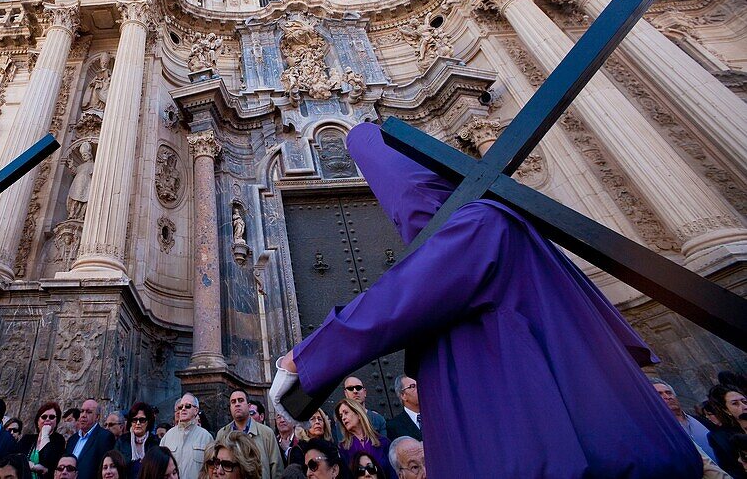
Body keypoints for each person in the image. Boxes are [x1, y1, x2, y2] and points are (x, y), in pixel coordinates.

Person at [269, 123, 702, 478]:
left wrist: (303, 357)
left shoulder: (480, 221)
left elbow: (406, 296)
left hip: (570, 454)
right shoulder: (495, 221)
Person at [215, 391, 281, 479]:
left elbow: (277, 469)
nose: (237, 404)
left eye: (241, 400)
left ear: (248, 406)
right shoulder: (222, 434)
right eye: (233, 402)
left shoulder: (266, 433)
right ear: (230, 407)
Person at [651, 380, 717, 462]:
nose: (667, 397)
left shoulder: (702, 421)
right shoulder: (659, 432)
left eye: (669, 393)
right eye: (659, 394)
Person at [333, 401, 392, 479]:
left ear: (358, 414)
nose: (343, 418)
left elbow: (393, 473)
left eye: (346, 413)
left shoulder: (383, 442)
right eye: (341, 416)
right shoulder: (343, 448)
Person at [161, 394, 212, 479]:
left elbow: (211, 470)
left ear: (196, 410)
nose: (183, 409)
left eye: (188, 406)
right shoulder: (168, 436)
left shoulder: (206, 437)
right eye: (181, 407)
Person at [16, 401, 66, 479]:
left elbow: (47, 460)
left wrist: (45, 434)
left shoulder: (59, 440)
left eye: (52, 417)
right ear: (38, 421)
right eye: (44, 417)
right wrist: (33, 466)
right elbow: (15, 458)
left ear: (57, 421)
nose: (47, 419)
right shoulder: (27, 439)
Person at [67, 399, 116, 479]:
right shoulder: (72, 440)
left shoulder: (104, 437)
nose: (83, 415)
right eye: (82, 411)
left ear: (97, 417)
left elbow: (103, 467)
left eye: (88, 412)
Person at [707, 385, 747, 478]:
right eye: (735, 403)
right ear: (726, 410)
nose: (744, 406)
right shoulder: (720, 437)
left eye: (744, 401)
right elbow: (730, 469)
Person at [330, 379, 384, 443]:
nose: (355, 391)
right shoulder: (341, 423)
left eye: (358, 388)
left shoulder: (378, 419)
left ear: (365, 392)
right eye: (350, 388)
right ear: (345, 393)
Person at [118, 401, 159, 479]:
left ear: (148, 422)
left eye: (142, 420)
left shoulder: (155, 442)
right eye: (134, 420)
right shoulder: (122, 441)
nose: (138, 423)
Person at [384, 377, 421, 443]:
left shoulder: (437, 415)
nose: (419, 388)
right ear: (403, 395)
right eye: (413, 386)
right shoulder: (394, 426)